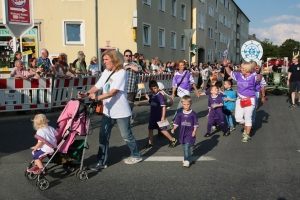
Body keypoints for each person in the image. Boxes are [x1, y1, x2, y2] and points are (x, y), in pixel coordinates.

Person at [78, 50, 142, 170]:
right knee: (103, 136)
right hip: (108, 111)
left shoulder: (121, 72)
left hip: (121, 111)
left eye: (107, 59)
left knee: (126, 135)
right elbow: (98, 86)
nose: (104, 62)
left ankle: (136, 154)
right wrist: (86, 94)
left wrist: (97, 98)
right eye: (104, 60)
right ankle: (101, 162)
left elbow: (114, 92)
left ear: (114, 59)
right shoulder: (106, 72)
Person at [224, 61, 259, 142]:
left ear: (247, 69)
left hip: (250, 100)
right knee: (238, 118)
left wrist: (256, 69)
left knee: (248, 118)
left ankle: (247, 135)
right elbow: (230, 72)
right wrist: (226, 66)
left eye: (243, 68)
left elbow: (258, 77)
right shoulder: (239, 76)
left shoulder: (253, 76)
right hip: (240, 99)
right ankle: (246, 127)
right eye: (241, 67)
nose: (241, 69)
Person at [138, 80, 177, 149]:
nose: (153, 90)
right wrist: (141, 104)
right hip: (153, 116)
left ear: (158, 87)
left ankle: (173, 139)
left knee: (162, 130)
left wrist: (163, 116)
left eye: (155, 88)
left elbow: (164, 106)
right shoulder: (152, 95)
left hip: (159, 116)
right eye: (152, 89)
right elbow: (150, 103)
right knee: (150, 129)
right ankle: (150, 143)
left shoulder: (160, 96)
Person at [171, 95, 198, 168]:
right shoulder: (180, 114)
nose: (186, 106)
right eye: (184, 104)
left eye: (188, 104)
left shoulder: (193, 114)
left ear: (191, 104)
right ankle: (189, 158)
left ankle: (186, 160)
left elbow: (196, 124)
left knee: (187, 146)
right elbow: (176, 123)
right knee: (184, 147)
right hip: (182, 133)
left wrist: (194, 131)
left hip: (190, 133)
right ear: (182, 104)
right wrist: (173, 129)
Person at [123, 49, 142, 124]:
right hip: (122, 89)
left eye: (129, 56)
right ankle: (132, 115)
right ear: (124, 56)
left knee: (129, 105)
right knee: (123, 105)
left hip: (131, 88)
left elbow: (139, 69)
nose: (128, 57)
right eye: (126, 56)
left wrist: (129, 66)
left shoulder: (134, 64)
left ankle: (127, 120)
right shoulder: (120, 65)